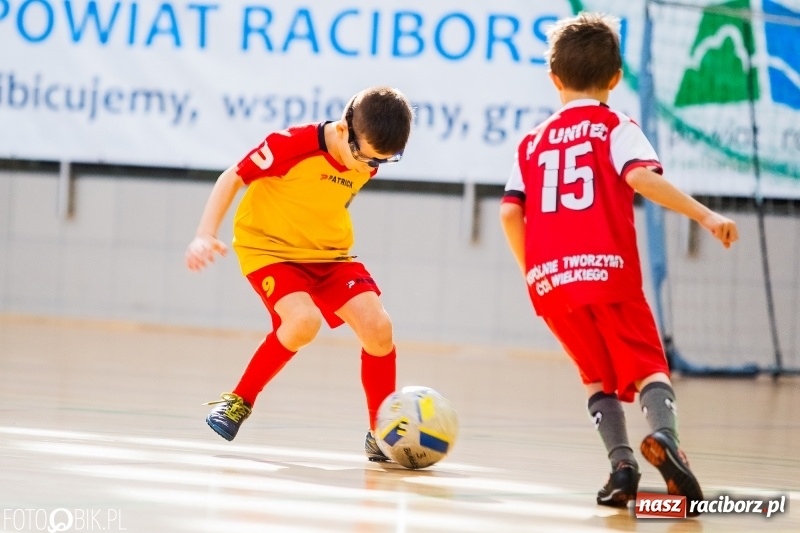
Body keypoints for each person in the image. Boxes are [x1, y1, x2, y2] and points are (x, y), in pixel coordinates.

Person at [499, 13, 738, 512]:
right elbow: (641, 178)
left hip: (550, 283)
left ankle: (622, 468)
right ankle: (666, 440)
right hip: (606, 272)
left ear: (553, 79)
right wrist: (704, 214)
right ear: (615, 78)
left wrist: (534, 273)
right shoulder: (615, 126)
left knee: (594, 374)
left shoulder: (532, 140)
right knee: (648, 366)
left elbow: (508, 213)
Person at [185, 86, 414, 462]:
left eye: (383, 161)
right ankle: (238, 400)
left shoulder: (366, 162)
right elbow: (233, 176)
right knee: (304, 322)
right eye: (366, 156)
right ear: (343, 130)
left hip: (329, 255)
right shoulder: (291, 145)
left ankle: (381, 431)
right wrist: (204, 235)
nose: (368, 167)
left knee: (379, 329)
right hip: (269, 250)